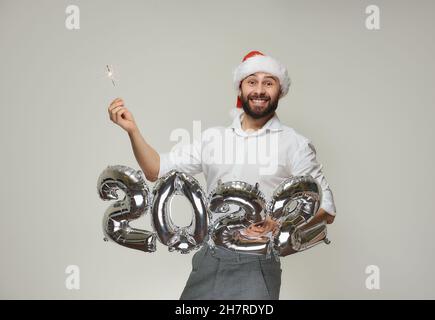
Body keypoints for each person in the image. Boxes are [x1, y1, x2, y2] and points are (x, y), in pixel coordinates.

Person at [107, 50, 337, 300]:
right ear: (240, 89)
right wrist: (132, 130)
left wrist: (280, 224)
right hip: (209, 258)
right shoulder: (213, 139)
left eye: (268, 83)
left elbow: (326, 209)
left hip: (256, 263)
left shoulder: (295, 144)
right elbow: (156, 169)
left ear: (279, 91)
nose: (259, 90)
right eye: (252, 82)